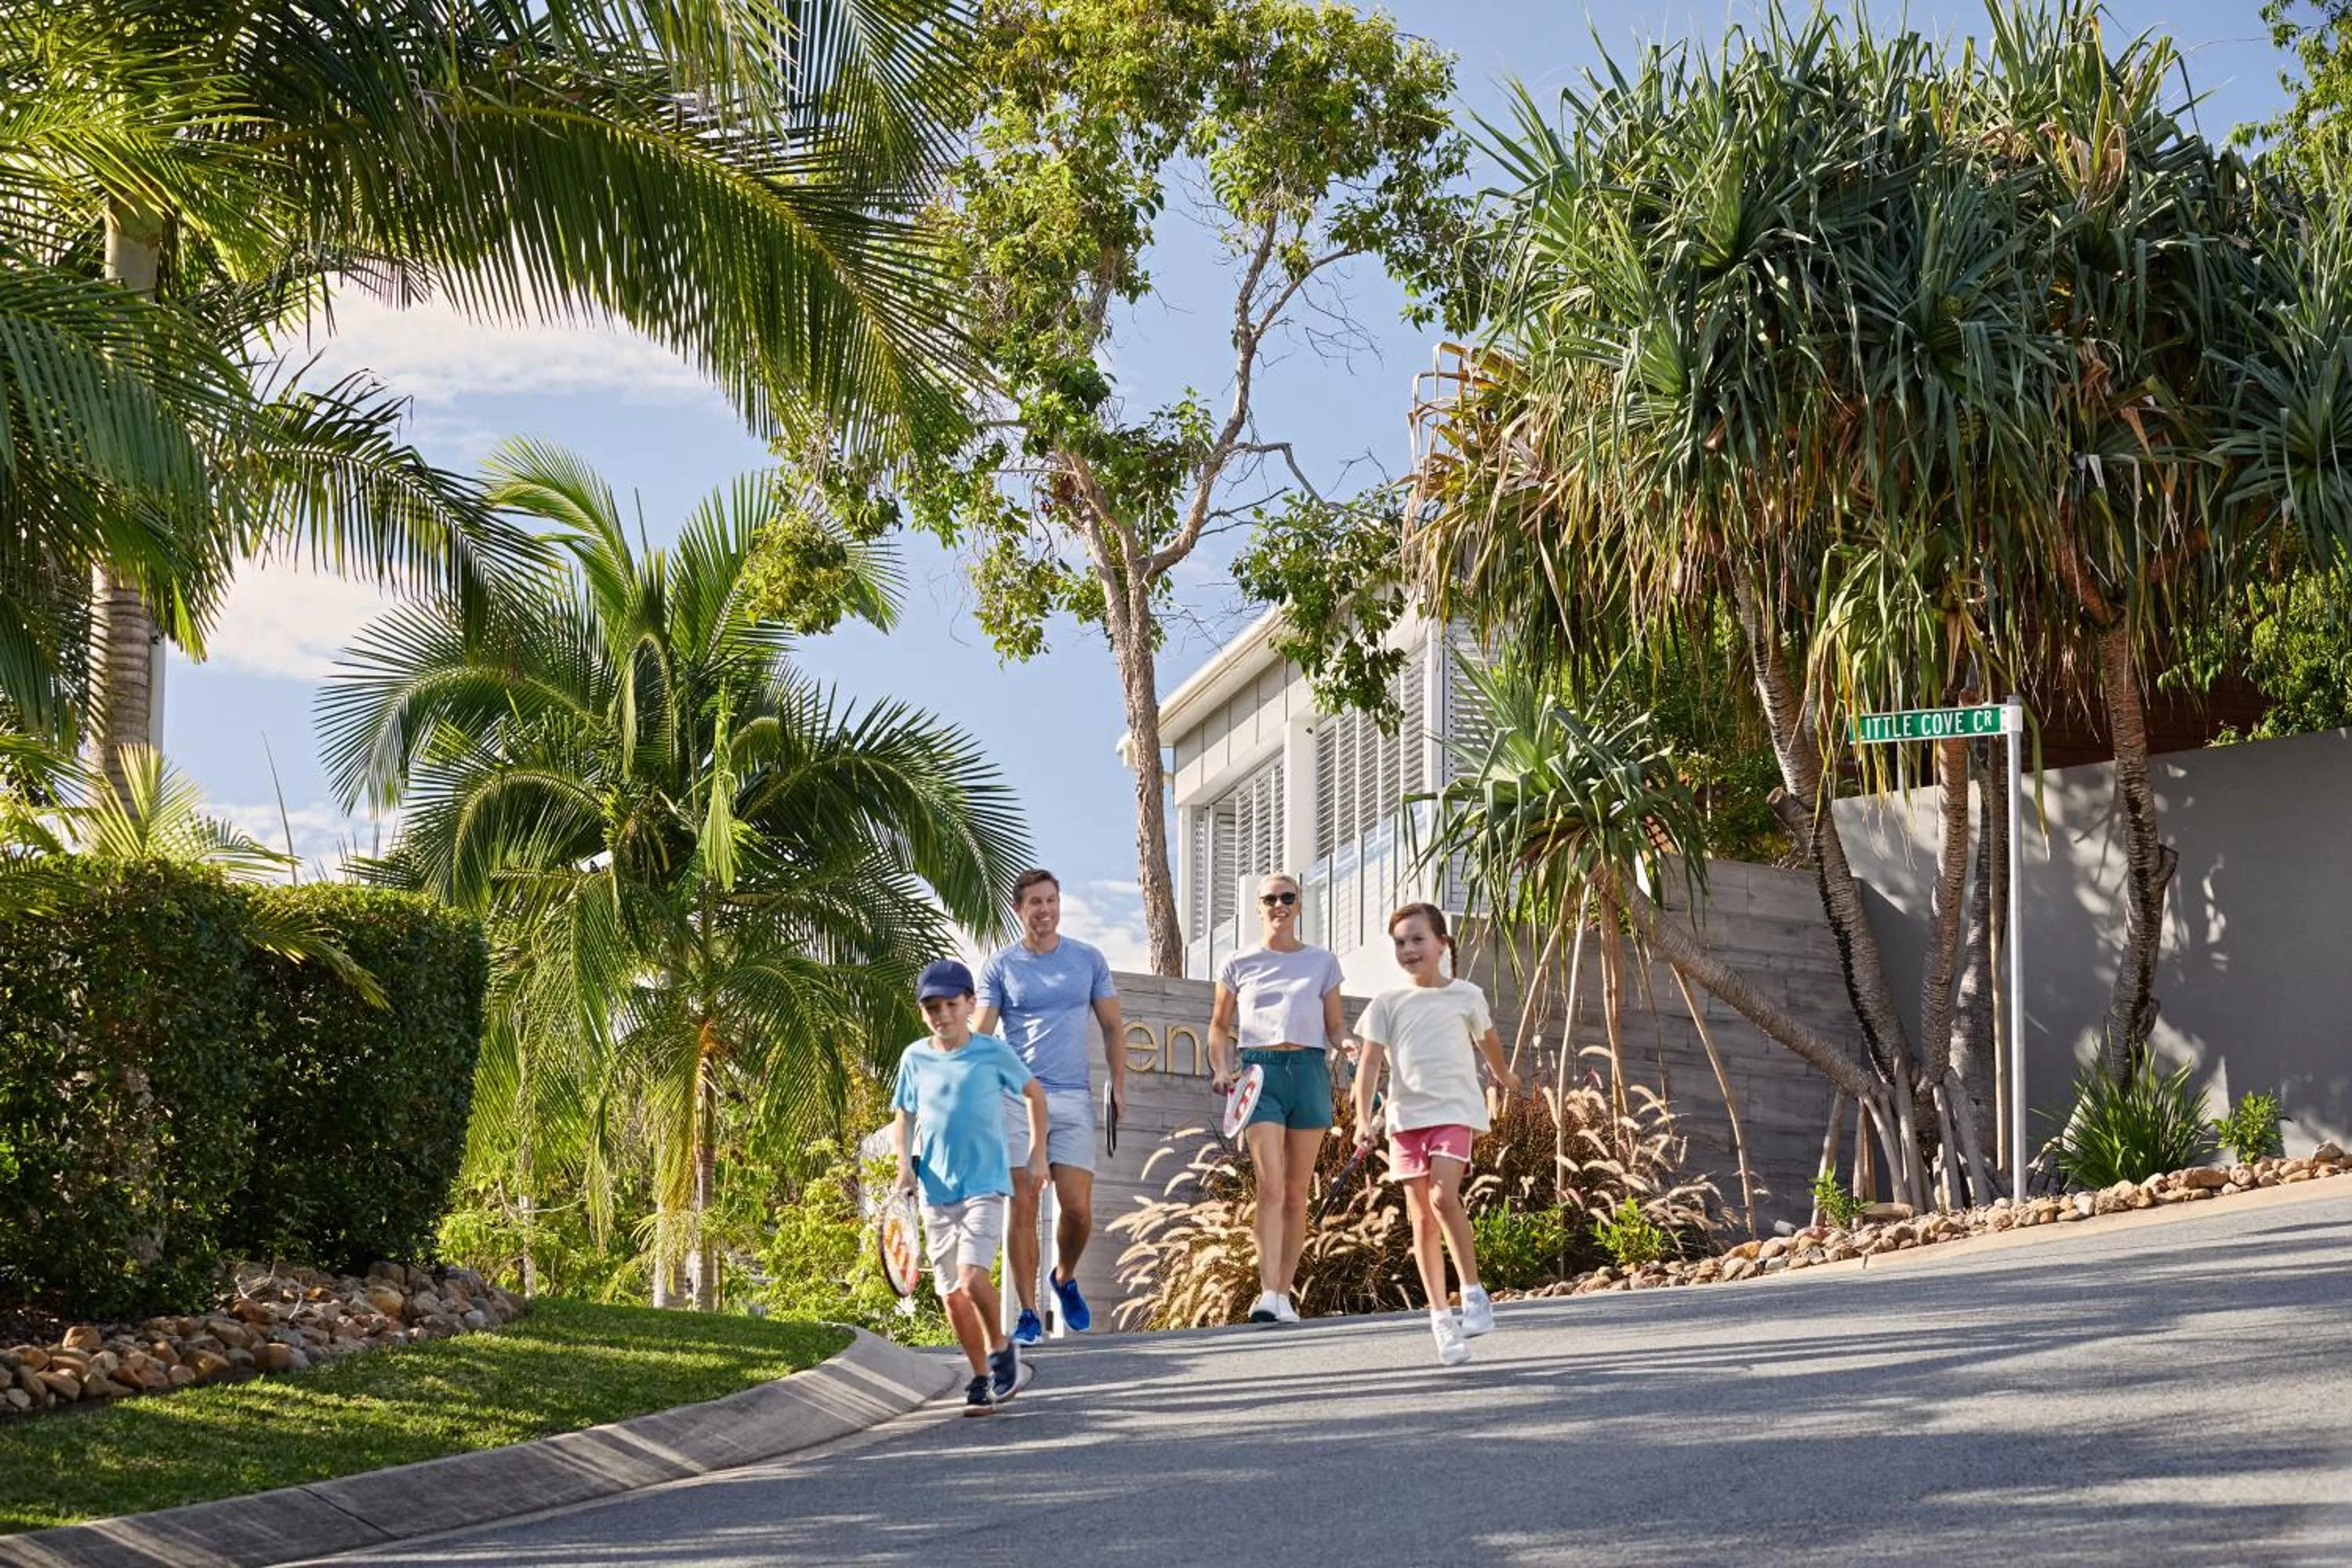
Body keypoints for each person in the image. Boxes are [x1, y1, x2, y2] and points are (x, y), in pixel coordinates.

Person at [1349, 903, 1522, 1366]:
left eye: (1417, 939)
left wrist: (1503, 1074)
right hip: (1406, 1121)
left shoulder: (1466, 995)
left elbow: (1488, 1039)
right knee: (1422, 1220)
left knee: (1445, 1198)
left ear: (1442, 943)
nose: (1408, 949)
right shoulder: (1387, 1003)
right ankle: (1442, 1321)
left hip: (1453, 1112)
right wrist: (1363, 1119)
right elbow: (1369, 1064)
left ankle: (1474, 1294)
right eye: (1400, 943)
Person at [892, 958, 1051, 1415]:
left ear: (969, 1004)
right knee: (951, 1296)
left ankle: (1001, 1351)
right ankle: (981, 1377)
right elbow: (904, 1114)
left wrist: (1038, 1153)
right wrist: (904, 1167)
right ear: (923, 1012)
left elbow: (1035, 1094)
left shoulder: (991, 1052)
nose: (942, 1014)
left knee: (971, 1275)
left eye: (950, 1005)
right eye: (932, 1008)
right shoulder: (914, 1058)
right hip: (935, 1191)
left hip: (985, 1183)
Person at [975, 869, 1126, 1344]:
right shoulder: (1001, 966)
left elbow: (1113, 1027)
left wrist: (1118, 1085)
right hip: (1017, 1098)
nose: (1045, 910)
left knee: (1078, 1210)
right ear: (1019, 909)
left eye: (1052, 900)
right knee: (1022, 1204)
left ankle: (1063, 1278)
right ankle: (1027, 1312)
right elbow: (982, 1034)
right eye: (1035, 902)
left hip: (1073, 1097)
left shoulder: (1087, 959)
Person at [1208, 872, 1348, 1324]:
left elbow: (1335, 1026)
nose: (1279, 905)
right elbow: (1218, 1026)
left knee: (1295, 1193)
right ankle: (1267, 1294)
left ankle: (1284, 1294)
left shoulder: (1322, 962)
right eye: (1270, 899)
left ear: (1299, 905)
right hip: (1258, 1073)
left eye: (1287, 897)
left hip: (1308, 1071)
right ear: (1259, 908)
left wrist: (1347, 1044)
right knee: (1269, 1185)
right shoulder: (1238, 962)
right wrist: (1220, 1068)